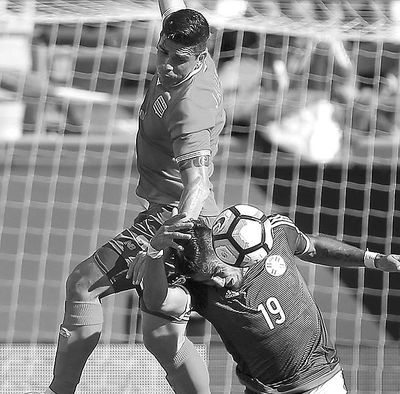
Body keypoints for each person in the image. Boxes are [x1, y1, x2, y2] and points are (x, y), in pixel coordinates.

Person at [38, 0, 225, 393]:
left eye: (179, 58)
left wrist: (162, 241)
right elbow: (173, 7)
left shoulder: (191, 106)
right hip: (179, 218)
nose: (167, 64)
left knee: (83, 285)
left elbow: (198, 184)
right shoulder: (187, 54)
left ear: (201, 56)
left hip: (175, 220)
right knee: (161, 337)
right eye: (163, 51)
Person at [133, 208, 400, 394]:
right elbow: (160, 302)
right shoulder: (201, 292)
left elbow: (314, 247)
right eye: (206, 281)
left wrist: (372, 259)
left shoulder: (275, 236)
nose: (216, 283)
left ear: (229, 251)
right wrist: (155, 252)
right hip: (263, 390)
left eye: (216, 272)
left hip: (321, 383)